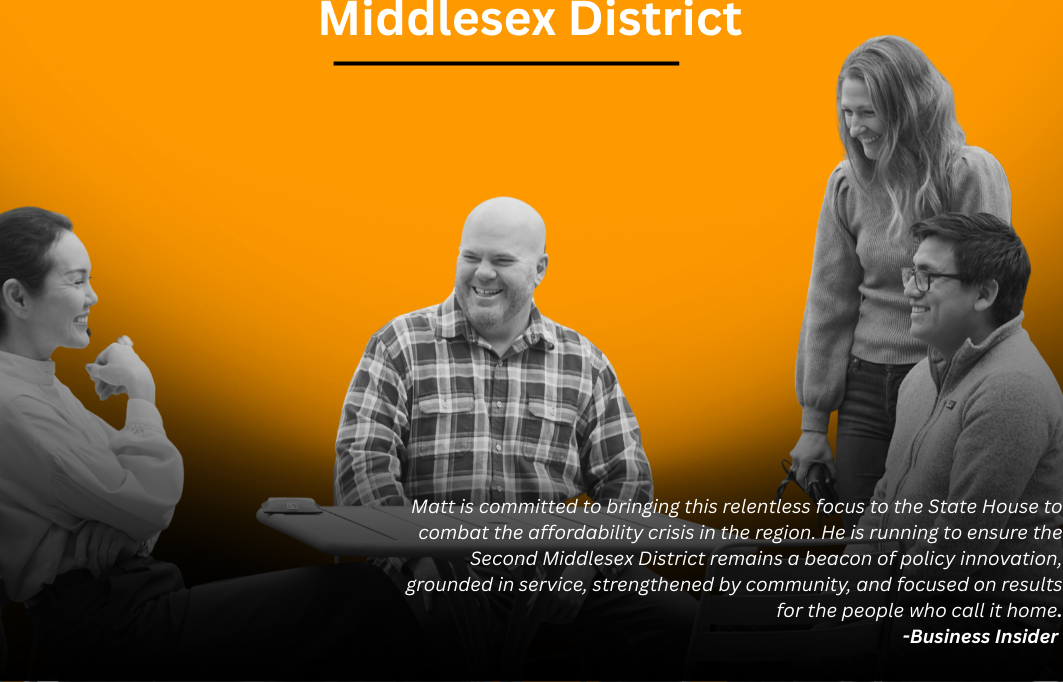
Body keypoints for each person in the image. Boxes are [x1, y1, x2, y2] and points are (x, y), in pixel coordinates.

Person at [0, 206, 427, 681]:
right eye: (77, 281)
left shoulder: (41, 385)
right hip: (114, 626)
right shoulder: (13, 403)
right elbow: (149, 500)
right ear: (17, 297)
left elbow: (140, 506)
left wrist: (130, 529)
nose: (93, 296)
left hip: (127, 597)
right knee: (362, 596)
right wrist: (141, 390)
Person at [334, 196, 697, 680]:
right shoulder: (399, 344)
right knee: (412, 634)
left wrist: (585, 565)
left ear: (540, 269)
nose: (482, 273)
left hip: (549, 576)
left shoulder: (584, 362)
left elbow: (628, 481)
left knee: (679, 623)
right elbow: (361, 461)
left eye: (502, 260)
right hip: (430, 572)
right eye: (471, 256)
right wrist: (415, 558)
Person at [790, 36, 1011, 526]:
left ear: (909, 107)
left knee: (927, 543)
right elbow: (829, 302)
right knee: (860, 546)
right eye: (847, 112)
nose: (854, 127)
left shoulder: (970, 173)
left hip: (943, 381)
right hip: (864, 386)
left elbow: (988, 298)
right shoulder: (846, 183)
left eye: (868, 112)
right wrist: (813, 424)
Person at [852, 212, 1063, 680]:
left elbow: (958, 553)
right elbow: (884, 497)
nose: (909, 290)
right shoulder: (920, 377)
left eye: (928, 277)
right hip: (903, 614)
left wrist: (856, 609)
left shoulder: (1011, 388)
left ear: (984, 293)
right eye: (911, 273)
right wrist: (842, 583)